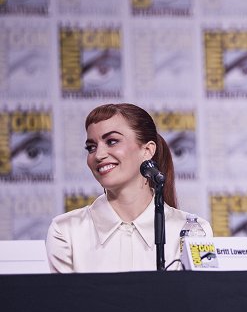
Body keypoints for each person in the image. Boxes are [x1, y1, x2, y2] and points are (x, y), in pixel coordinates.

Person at [46, 103, 212, 273]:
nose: (98, 155)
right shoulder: (65, 231)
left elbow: (199, 297)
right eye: (91, 147)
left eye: (112, 141)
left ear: (147, 150)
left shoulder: (193, 230)